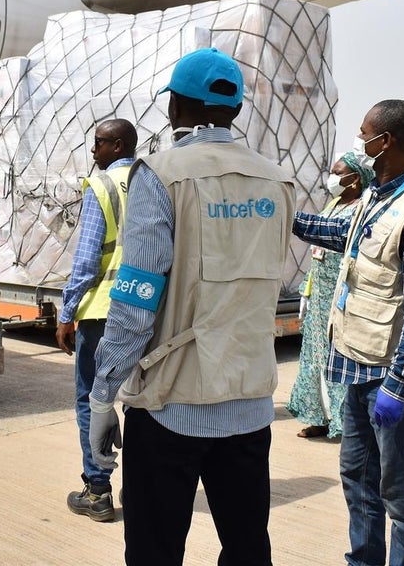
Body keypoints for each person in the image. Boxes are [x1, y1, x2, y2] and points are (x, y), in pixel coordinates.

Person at [87, 47, 296, 565]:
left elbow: (136, 302)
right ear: (235, 108)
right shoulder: (277, 180)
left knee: (156, 550)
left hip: (170, 404)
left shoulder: (161, 174)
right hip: (249, 401)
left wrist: (101, 396)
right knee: (248, 548)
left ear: (176, 106)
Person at [293, 99, 404, 566]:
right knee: (358, 477)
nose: (358, 143)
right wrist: (284, 213)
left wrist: (400, 386)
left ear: (385, 142)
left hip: (395, 378)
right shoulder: (374, 198)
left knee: (401, 494)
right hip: (357, 364)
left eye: (364, 134)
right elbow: (337, 234)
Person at [57, 118, 138, 522]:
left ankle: (98, 489)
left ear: (118, 145)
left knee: (93, 397)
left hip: (103, 310)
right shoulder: (154, 184)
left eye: (99, 143)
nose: (94, 151)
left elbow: (88, 259)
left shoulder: (102, 186)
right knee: (141, 401)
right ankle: (142, 487)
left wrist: (66, 312)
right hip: (145, 309)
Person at [287, 152, 372, 439]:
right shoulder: (335, 204)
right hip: (320, 293)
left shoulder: (362, 208)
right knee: (315, 359)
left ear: (355, 178)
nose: (332, 178)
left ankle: (342, 421)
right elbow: (317, 250)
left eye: (338, 173)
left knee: (339, 360)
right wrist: (306, 290)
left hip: (341, 295)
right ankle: (318, 417)